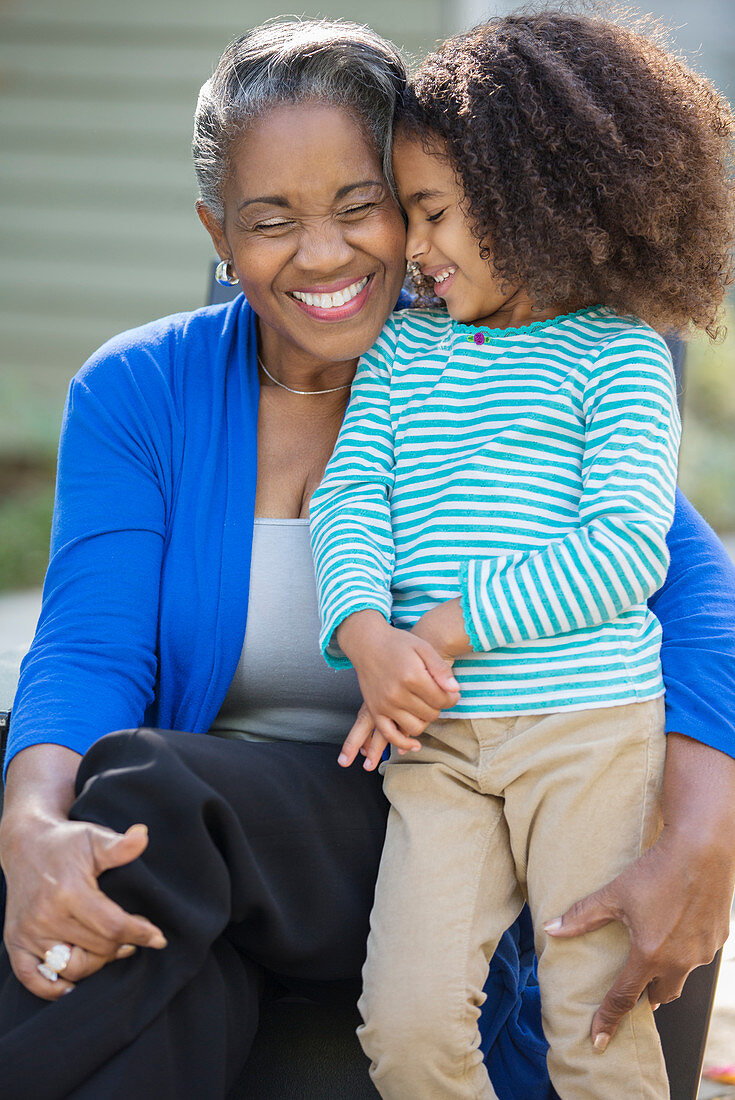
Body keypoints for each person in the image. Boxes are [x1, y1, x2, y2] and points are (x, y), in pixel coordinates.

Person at [0, 15, 733, 1100]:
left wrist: (706, 833)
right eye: (270, 220)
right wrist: (31, 830)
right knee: (153, 930)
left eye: (364, 204)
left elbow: (683, 582)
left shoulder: (497, 357)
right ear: (218, 229)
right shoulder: (141, 390)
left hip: (429, 806)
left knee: (151, 790)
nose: (326, 252)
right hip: (211, 863)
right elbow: (86, 650)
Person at [309, 10, 735, 1100]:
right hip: (441, 747)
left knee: (591, 1028)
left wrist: (441, 625)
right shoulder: (405, 349)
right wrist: (363, 629)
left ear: (538, 198)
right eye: (408, 214)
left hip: (586, 735)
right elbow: (350, 497)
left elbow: (625, 551)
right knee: (404, 1028)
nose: (415, 246)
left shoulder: (622, 356)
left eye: (436, 212)